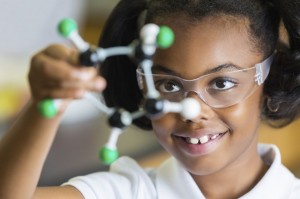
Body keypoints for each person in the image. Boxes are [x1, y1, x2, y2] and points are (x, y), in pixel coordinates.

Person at [1, 0, 300, 198]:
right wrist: (45, 107)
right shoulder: (131, 191)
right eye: (169, 85)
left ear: (272, 81)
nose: (192, 111)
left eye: (221, 83)